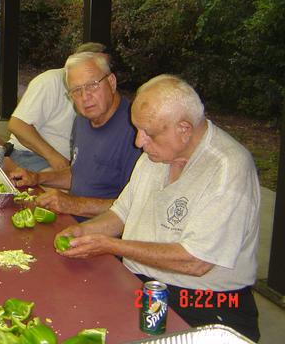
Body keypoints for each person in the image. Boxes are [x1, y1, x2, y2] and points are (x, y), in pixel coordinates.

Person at [56, 75, 260, 341]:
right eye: (137, 129)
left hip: (203, 302)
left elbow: (196, 262)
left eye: (148, 133)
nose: (138, 142)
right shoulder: (157, 154)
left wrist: (110, 246)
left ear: (184, 128)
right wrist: (83, 232)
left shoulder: (227, 168)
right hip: (141, 281)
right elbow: (122, 212)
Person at [10, 51, 141, 221]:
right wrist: (37, 177)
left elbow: (137, 207)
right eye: (76, 90)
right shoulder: (82, 120)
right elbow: (79, 174)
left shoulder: (136, 131)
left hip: (103, 234)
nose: (85, 97)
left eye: (92, 85)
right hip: (71, 220)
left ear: (111, 82)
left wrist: (74, 204)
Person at [4, 42, 107, 172]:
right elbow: (17, 125)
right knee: (67, 189)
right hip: (32, 156)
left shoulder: (104, 94)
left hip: (73, 163)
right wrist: (54, 157)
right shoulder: (49, 81)